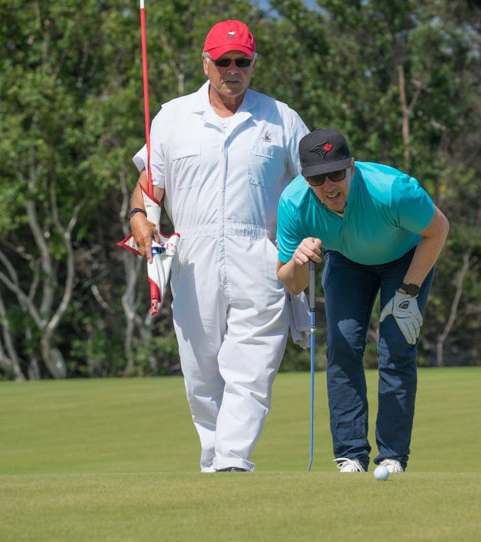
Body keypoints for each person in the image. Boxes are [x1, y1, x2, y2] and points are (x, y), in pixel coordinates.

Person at [127, 20, 310, 472]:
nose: (233, 69)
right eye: (223, 61)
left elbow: (312, 184)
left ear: (253, 64)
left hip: (262, 252)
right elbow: (149, 187)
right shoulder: (171, 116)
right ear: (206, 63)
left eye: (242, 61)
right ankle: (214, 458)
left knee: (252, 366)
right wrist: (137, 219)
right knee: (201, 371)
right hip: (192, 255)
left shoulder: (281, 118)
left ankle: (232, 458)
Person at [276, 129, 449, 473]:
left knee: (397, 346)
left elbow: (438, 229)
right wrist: (298, 261)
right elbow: (292, 284)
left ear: (352, 167)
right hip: (345, 260)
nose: (329, 186)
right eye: (317, 178)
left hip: (404, 257)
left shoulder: (393, 190)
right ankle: (350, 454)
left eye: (337, 174)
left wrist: (409, 291)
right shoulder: (293, 203)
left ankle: (392, 456)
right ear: (305, 178)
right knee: (342, 346)